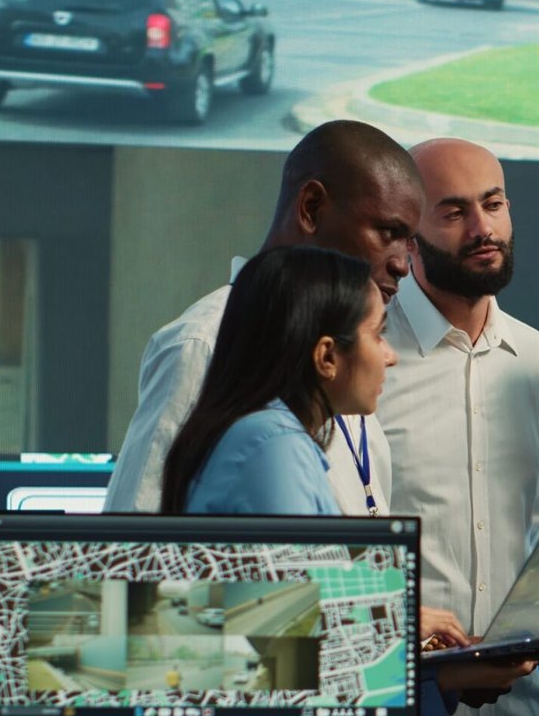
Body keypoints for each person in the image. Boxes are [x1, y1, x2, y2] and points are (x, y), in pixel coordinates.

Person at [160, 246, 535, 716]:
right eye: (378, 334)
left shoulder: (277, 440)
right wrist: (431, 655)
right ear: (327, 356)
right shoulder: (268, 446)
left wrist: (431, 663)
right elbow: (291, 653)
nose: (389, 355)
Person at [378, 139, 539, 716]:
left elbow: (537, 532)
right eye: (453, 211)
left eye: (492, 204)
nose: (481, 228)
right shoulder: (367, 353)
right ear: (409, 228)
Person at [105, 119, 422, 522]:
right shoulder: (204, 342)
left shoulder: (347, 361)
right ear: (311, 208)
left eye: (408, 241)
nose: (402, 264)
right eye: (387, 231)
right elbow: (136, 539)